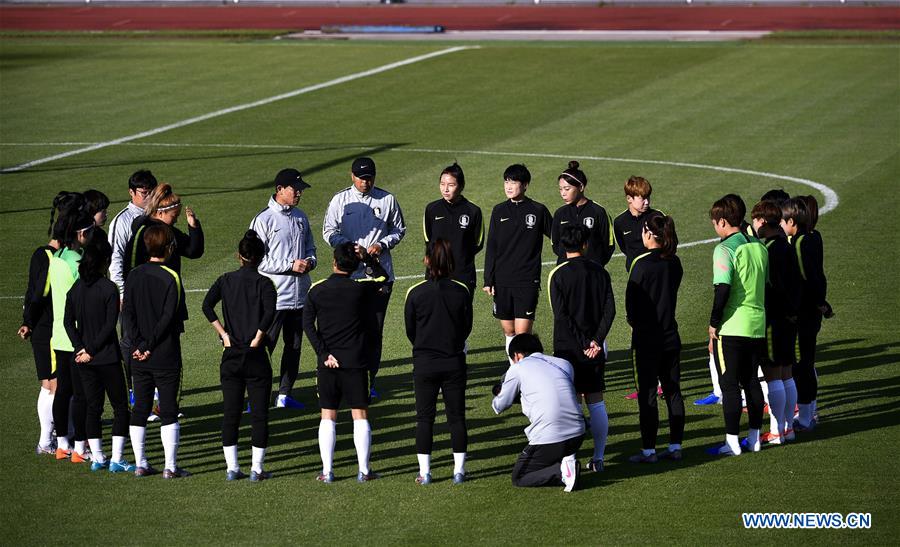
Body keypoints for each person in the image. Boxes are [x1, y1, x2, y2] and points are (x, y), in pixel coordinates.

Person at [303, 243, 387, 483]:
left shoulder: (317, 289)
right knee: (359, 414)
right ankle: (364, 471)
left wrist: (323, 354)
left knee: (327, 415)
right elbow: (384, 278)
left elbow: (308, 324)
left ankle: (327, 472)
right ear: (355, 265)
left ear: (334, 262)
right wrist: (368, 260)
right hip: (356, 362)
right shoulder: (361, 288)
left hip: (328, 363)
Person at [322, 157, 406, 396]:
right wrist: (349, 247)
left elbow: (399, 230)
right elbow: (328, 231)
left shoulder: (387, 199)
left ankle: (370, 381)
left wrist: (382, 244)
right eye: (361, 177)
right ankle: (346, 378)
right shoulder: (340, 200)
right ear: (352, 176)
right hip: (349, 277)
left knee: (374, 331)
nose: (365, 182)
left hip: (380, 278)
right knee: (346, 329)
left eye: (369, 178)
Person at [202, 231, 278, 481]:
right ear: (261, 257)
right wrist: (257, 337)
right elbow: (270, 313)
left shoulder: (225, 280)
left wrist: (223, 334)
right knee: (259, 414)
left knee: (231, 413)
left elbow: (206, 306)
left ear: (239, 256)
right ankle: (257, 469)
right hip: (256, 356)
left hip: (231, 354)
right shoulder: (265, 284)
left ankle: (232, 468)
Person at [17, 191, 83, 455]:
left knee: (53, 383)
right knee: (53, 384)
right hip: (49, 328)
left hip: (48, 327)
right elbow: (38, 293)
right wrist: (28, 321)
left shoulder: (51, 255)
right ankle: (50, 439)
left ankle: (54, 437)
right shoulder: (51, 257)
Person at [122, 224, 189, 478]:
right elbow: (168, 317)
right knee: (169, 409)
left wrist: (139, 344)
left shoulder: (134, 275)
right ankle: (170, 467)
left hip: (138, 354)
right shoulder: (171, 276)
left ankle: (141, 464)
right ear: (169, 248)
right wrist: (149, 345)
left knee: (140, 407)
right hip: (164, 352)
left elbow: (127, 313)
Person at [404, 239, 473, 485]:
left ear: (426, 261)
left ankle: (425, 473)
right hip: (453, 361)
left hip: (424, 363)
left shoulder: (415, 292)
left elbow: (410, 330)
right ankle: (459, 471)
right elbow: (467, 327)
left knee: (424, 418)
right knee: (456, 417)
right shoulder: (461, 290)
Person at [63, 238, 135, 473]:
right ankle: (116, 458)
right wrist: (91, 350)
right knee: (120, 407)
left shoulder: (76, 288)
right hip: (107, 358)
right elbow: (108, 326)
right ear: (104, 262)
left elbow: (67, 322)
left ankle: (97, 457)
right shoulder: (109, 288)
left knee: (93, 407)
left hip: (85, 360)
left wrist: (80, 349)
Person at [547, 224, 615, 472]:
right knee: (596, 399)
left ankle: (570, 461)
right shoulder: (600, 272)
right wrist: (596, 340)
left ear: (563, 246)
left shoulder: (557, 275)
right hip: (595, 348)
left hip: (568, 350)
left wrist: (584, 342)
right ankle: (598, 458)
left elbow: (561, 316)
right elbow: (610, 310)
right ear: (585, 245)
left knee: (571, 402)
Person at [248, 168, 317, 410]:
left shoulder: (301, 217)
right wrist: (290, 265)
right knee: (265, 348)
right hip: (275, 298)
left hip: (300, 297)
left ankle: (285, 394)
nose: (299, 193)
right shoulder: (263, 220)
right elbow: (256, 259)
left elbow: (311, 249)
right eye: (294, 189)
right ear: (279, 190)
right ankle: (258, 396)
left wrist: (310, 262)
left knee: (294, 347)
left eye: (300, 189)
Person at [706, 195, 768, 456]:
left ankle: (732, 442)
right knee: (752, 380)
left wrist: (713, 323)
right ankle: (754, 438)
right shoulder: (759, 246)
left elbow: (722, 289)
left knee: (729, 384)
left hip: (732, 326)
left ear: (722, 221)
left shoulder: (724, 249)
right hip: (757, 323)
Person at [625, 213, 685, 463]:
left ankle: (649, 450)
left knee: (648, 394)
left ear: (649, 234)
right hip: (670, 335)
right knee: (673, 392)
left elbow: (631, 305)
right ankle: (675, 446)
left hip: (647, 340)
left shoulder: (641, 264)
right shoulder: (675, 262)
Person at [491, 334, 585, 492]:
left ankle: (563, 472)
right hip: (578, 434)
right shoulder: (564, 364)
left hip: (550, 437)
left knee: (520, 476)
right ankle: (566, 460)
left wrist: (500, 394)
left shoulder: (518, 368)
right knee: (549, 454)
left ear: (518, 355)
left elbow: (500, 405)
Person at [483, 164, 552, 362]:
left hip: (526, 281)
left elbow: (557, 237)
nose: (509, 186)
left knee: (522, 335)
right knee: (509, 331)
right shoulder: (498, 211)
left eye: (513, 182)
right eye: (506, 181)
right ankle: (515, 371)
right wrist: (489, 279)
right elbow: (492, 246)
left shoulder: (538, 210)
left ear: (525, 185)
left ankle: (526, 376)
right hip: (502, 281)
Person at [750, 200, 801, 444]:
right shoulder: (787, 245)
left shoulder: (766, 249)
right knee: (787, 372)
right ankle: (788, 427)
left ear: (761, 221)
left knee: (773, 375)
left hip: (772, 318)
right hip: (790, 318)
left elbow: (772, 287)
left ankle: (776, 431)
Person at [48, 208, 95, 462]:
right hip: (77, 335)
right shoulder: (77, 263)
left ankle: (62, 444)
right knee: (81, 394)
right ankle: (79, 448)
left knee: (63, 390)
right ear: (81, 234)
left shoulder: (57, 257)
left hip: (59, 334)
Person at [781, 197, 828, 432]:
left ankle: (806, 417)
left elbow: (805, 278)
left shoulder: (798, 243)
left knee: (802, 364)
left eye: (782, 220)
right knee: (806, 362)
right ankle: (808, 414)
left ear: (792, 221)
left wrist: (801, 307)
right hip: (813, 311)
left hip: (803, 313)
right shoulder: (814, 236)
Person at [422, 162, 484, 299]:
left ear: (461, 186)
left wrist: (460, 256)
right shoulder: (432, 209)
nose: (445, 189)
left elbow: (478, 242)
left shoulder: (473, 211)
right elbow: (428, 238)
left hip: (462, 275)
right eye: (442, 184)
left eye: (451, 185)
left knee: (461, 318)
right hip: (436, 273)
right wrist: (433, 258)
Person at [551, 161, 614, 266]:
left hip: (592, 271)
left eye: (567, 189)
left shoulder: (598, 211)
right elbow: (555, 244)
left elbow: (609, 244)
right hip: (566, 270)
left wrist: (596, 264)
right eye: (560, 189)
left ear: (581, 187)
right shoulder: (560, 213)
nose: (563, 193)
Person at [109, 169, 158, 297]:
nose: (149, 197)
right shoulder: (121, 221)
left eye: (152, 193)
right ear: (131, 192)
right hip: (133, 290)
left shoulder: (158, 215)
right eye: (144, 193)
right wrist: (121, 292)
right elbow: (115, 257)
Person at [613, 176, 662, 273]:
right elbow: (624, 247)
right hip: (634, 272)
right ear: (629, 198)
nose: (647, 202)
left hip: (657, 270)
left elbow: (670, 242)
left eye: (648, 197)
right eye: (642, 198)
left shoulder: (657, 217)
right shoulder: (619, 222)